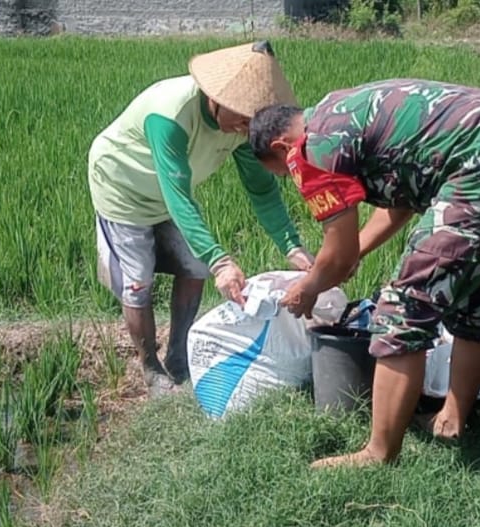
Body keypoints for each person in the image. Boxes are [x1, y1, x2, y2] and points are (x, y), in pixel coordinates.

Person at [248, 79, 480, 468]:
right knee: (476, 296)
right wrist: (353, 254)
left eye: (282, 172)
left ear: (281, 147)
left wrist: (309, 287)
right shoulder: (338, 111)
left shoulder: (311, 149)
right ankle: (452, 419)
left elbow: (338, 254)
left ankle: (379, 453)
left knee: (402, 308)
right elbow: (399, 204)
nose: (291, 177)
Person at [88, 41, 315, 397]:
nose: (245, 128)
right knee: (138, 282)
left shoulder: (241, 128)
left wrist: (292, 246)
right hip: (123, 190)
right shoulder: (171, 114)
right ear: (216, 96)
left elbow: (262, 191)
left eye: (251, 121)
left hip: (170, 195)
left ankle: (179, 355)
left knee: (194, 267)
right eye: (240, 117)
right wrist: (221, 261)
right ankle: (151, 369)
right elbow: (177, 194)